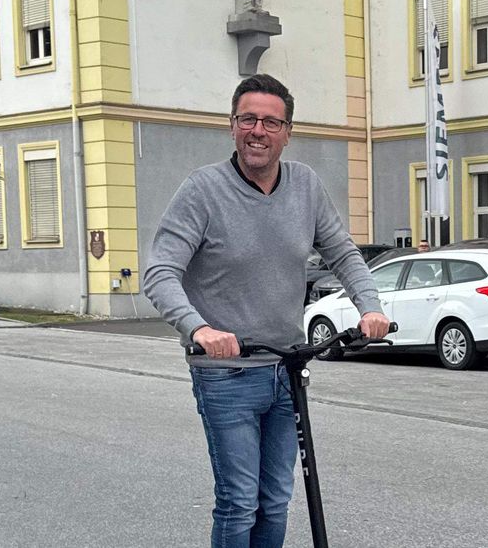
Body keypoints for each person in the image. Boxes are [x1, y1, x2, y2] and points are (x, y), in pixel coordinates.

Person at [143, 74, 390, 548]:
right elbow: (160, 272)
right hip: (226, 373)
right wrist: (200, 329)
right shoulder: (202, 190)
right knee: (240, 503)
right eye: (248, 119)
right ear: (232, 126)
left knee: (276, 500)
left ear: (287, 131)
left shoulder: (306, 186)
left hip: (286, 368)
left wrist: (370, 308)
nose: (259, 130)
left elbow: (343, 253)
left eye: (271, 122)